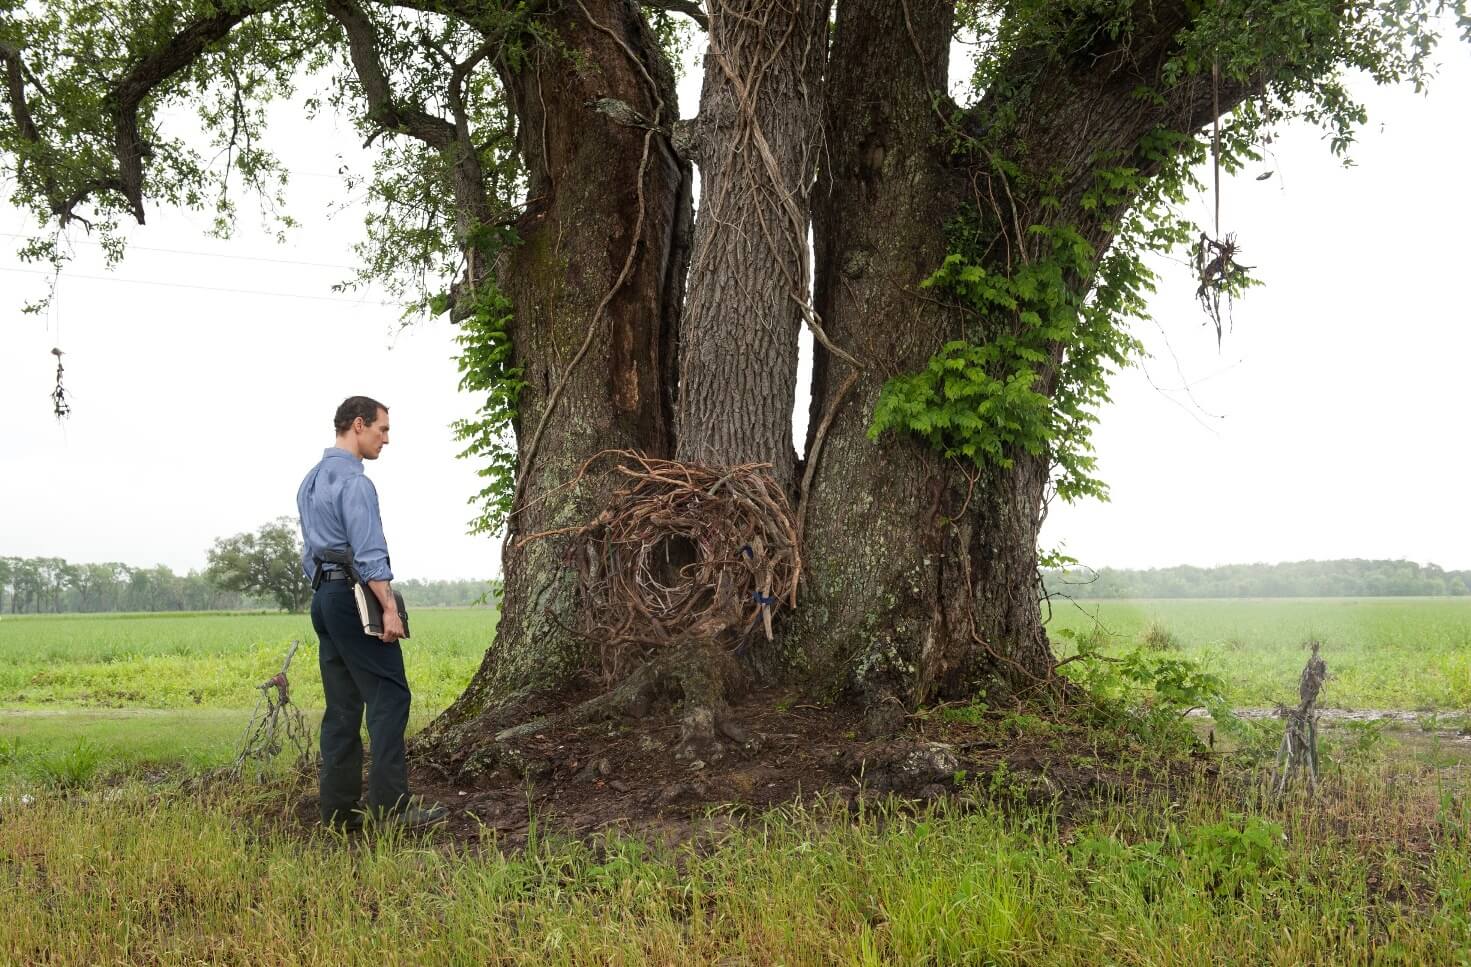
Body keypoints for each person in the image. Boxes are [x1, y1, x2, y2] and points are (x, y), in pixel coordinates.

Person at [296, 395, 445, 830]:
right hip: (354, 596)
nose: (387, 439)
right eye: (382, 429)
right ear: (358, 425)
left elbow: (310, 550)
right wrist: (389, 608)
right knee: (390, 697)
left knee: (342, 706)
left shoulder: (310, 480)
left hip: (324, 598)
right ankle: (391, 811)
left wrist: (328, 589)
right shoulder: (356, 483)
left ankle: (338, 812)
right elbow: (369, 553)